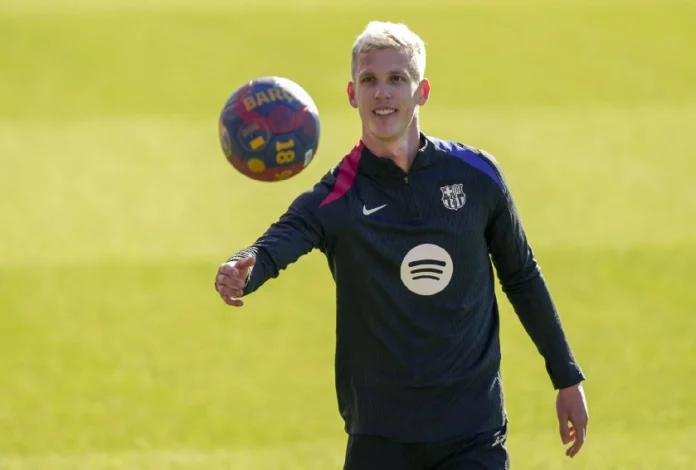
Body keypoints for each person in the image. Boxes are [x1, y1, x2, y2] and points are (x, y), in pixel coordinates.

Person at [214, 20, 589, 470]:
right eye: (369, 80)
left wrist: (566, 377)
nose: (382, 93)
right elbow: (280, 240)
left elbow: (522, 275)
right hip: (381, 437)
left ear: (422, 91)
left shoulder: (477, 175)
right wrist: (244, 267)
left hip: (474, 431)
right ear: (352, 94)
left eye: (397, 78)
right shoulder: (338, 195)